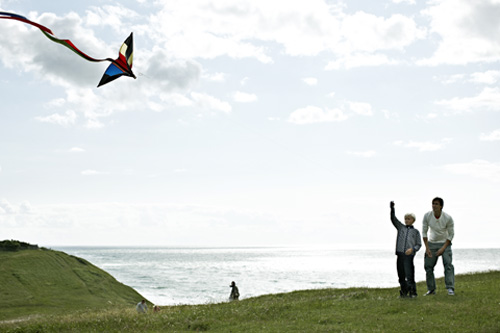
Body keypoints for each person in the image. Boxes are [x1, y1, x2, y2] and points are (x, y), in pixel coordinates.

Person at [422, 197, 455, 296]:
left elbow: (451, 234)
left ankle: (450, 288)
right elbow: (424, 232)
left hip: (445, 243)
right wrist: (427, 248)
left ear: (441, 206)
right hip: (432, 243)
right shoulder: (427, 216)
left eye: (436, 204)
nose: (434, 206)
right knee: (428, 266)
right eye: (433, 203)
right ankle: (431, 290)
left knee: (448, 265)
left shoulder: (448, 218)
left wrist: (443, 248)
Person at [390, 201, 421, 298]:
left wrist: (412, 249)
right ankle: (403, 292)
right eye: (405, 219)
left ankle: (413, 292)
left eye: (409, 219)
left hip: (409, 256)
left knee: (409, 275)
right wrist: (392, 209)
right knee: (401, 275)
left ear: (413, 220)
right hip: (400, 254)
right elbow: (393, 219)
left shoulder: (415, 232)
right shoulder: (400, 228)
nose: (407, 220)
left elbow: (418, 244)